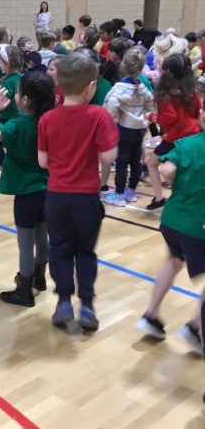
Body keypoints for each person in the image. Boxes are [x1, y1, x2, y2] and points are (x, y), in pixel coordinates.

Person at [38, 52, 119, 332]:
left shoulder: (47, 118)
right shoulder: (99, 115)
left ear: (58, 84)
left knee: (60, 249)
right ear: (91, 87)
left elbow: (42, 162)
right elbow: (109, 156)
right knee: (85, 251)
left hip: (56, 196)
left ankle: (63, 303)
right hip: (86, 197)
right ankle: (87, 306)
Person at [135, 110, 205, 358]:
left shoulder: (186, 143)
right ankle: (194, 327)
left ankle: (151, 315)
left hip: (172, 219)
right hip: (197, 225)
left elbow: (165, 170)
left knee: (173, 260)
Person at [0, 73, 55, 306]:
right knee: (42, 235)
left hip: (26, 193)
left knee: (25, 243)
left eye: (18, 92)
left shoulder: (19, 125)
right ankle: (39, 277)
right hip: (47, 188)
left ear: (25, 100)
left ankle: (24, 290)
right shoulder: (49, 121)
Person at [145, 54, 202, 210]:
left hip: (175, 138)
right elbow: (199, 111)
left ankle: (160, 197)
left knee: (152, 163)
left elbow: (169, 117)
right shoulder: (190, 90)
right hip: (194, 135)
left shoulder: (163, 94)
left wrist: (150, 117)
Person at [103, 47, 154, 206]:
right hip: (139, 130)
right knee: (135, 161)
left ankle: (119, 195)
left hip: (123, 130)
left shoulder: (119, 88)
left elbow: (110, 107)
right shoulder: (142, 87)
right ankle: (131, 192)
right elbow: (151, 105)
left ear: (123, 66)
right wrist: (144, 118)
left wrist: (114, 121)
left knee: (122, 162)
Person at [0, 45, 23, 123]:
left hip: (6, 118)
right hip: (20, 116)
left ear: (7, 64)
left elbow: (2, 103)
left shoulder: (7, 82)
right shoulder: (23, 77)